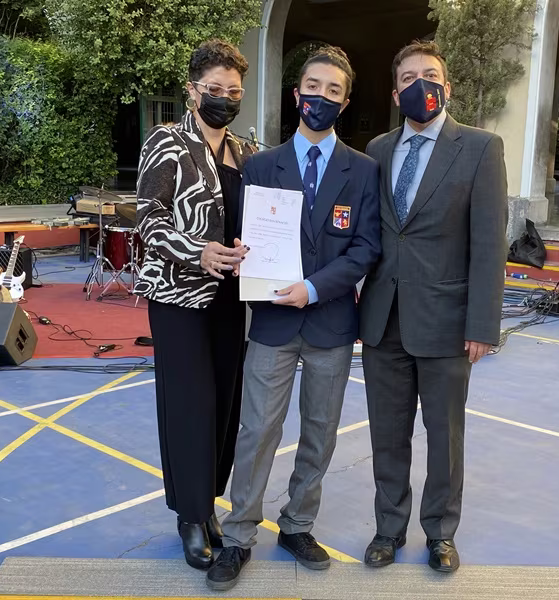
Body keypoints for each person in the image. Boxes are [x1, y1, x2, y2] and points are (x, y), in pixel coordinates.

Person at [206, 46, 381, 591]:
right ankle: (238, 534)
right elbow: (244, 237)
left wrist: (313, 288)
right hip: (271, 322)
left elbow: (366, 248)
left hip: (330, 322)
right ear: (296, 93)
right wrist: (242, 257)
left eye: (333, 91)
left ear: (344, 103)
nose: (320, 97)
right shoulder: (260, 166)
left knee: (320, 432)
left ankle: (298, 524)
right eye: (313, 87)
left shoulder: (364, 171)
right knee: (257, 429)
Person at [359, 40, 508, 572]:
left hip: (447, 321)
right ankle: (388, 528)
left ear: (447, 86)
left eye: (429, 74)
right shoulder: (377, 150)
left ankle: (440, 533)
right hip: (383, 319)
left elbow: (489, 243)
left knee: (444, 437)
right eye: (408, 77)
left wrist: (483, 324)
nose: (418, 83)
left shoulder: (481, 148)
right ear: (395, 91)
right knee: (387, 435)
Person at [134, 39, 256, 571]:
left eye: (233, 90)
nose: (224, 98)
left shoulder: (247, 153)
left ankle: (208, 504)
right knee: (190, 403)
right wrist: (196, 251)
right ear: (192, 91)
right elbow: (149, 217)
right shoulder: (167, 142)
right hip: (177, 295)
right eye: (214, 89)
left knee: (225, 403)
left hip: (231, 295)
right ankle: (189, 515)